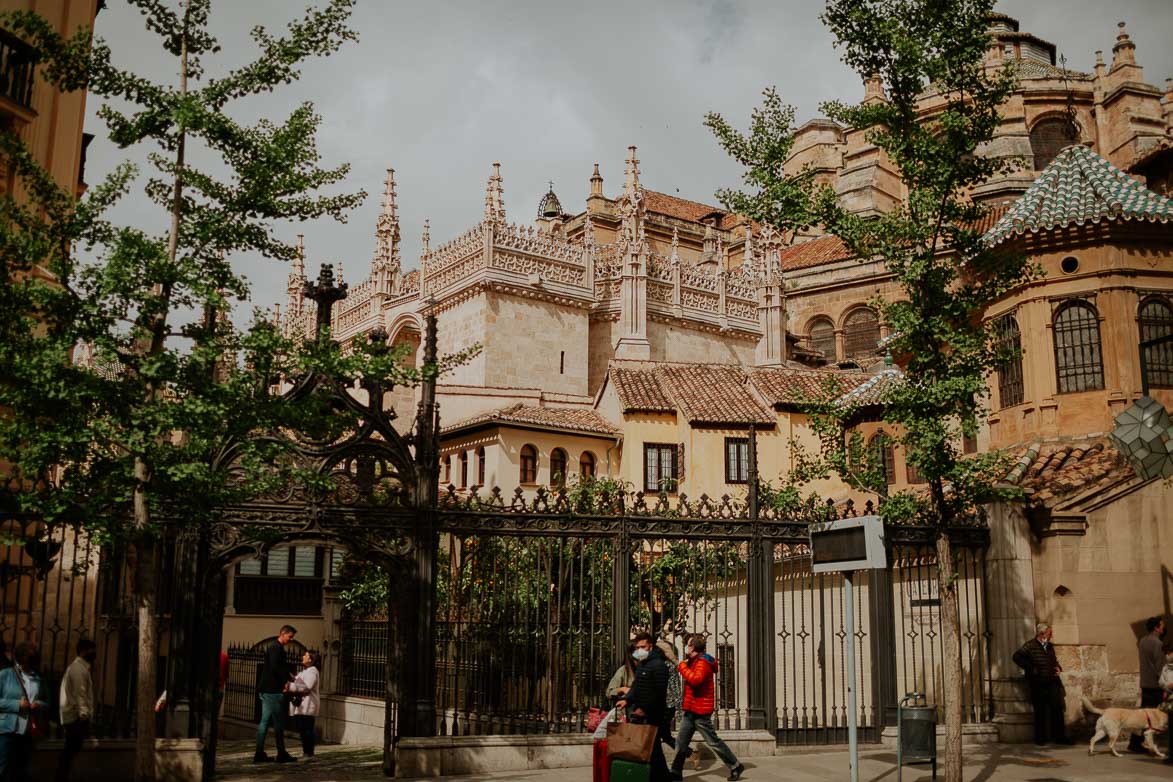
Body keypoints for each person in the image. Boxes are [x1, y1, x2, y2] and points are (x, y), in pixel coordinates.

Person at [669, 635, 744, 782]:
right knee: (681, 741)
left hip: (700, 710)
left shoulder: (702, 662)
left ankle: (735, 765)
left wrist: (682, 667)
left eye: (688, 645)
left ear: (693, 648)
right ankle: (676, 772)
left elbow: (695, 680)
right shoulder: (695, 661)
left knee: (713, 741)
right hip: (691, 708)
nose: (686, 647)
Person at [618, 632, 670, 782]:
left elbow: (659, 693)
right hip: (642, 713)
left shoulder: (659, 665)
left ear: (650, 646)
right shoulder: (643, 664)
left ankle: (661, 778)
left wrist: (645, 709)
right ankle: (662, 777)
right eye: (637, 647)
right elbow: (637, 686)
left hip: (653, 714)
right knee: (653, 750)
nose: (639, 650)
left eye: (642, 647)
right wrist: (627, 700)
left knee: (652, 749)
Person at [1012, 623, 1071, 746]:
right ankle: (1040, 739)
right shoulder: (1030, 645)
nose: (1051, 636)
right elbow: (1016, 657)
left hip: (1052, 682)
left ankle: (1059, 737)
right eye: (1049, 633)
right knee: (1040, 710)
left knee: (1057, 709)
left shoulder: (1049, 646)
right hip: (1038, 683)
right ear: (1041, 634)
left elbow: (1054, 661)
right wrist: (1031, 668)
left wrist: (1058, 668)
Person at [0, 642, 48, 782]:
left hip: (28, 732)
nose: (29, 665)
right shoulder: (5, 675)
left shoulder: (39, 678)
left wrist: (40, 704)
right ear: (20, 659)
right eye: (27, 661)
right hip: (6, 730)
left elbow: (47, 701)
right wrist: (16, 704)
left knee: (23, 771)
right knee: (3, 769)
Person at [255, 624, 297, 764]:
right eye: (290, 637)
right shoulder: (275, 648)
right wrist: (285, 680)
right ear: (283, 633)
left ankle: (260, 753)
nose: (290, 640)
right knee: (278, 722)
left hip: (267, 690)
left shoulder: (275, 648)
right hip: (272, 690)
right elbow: (275, 667)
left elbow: (277, 667)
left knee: (265, 721)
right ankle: (280, 753)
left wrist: (288, 675)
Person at [57, 639, 97, 782]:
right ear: (83, 651)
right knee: (69, 752)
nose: (94, 653)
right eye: (91, 650)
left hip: (74, 717)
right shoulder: (78, 669)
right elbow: (81, 694)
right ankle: (61, 778)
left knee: (70, 752)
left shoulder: (80, 668)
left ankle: (62, 777)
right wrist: (84, 715)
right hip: (76, 718)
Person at [1129, 616, 1167, 752]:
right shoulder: (1157, 643)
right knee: (1164, 714)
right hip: (1156, 685)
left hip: (1145, 683)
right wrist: (1165, 686)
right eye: (1162, 625)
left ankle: (1134, 743)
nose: (1163, 627)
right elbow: (1160, 667)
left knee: (1143, 716)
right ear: (1157, 628)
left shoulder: (1143, 641)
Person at [286, 651, 321, 759]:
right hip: (302, 705)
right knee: (303, 730)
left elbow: (306, 687)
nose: (303, 656)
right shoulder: (306, 671)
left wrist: (289, 686)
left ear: (311, 659)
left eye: (305, 655)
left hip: (308, 705)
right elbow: (301, 683)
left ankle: (309, 753)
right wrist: (294, 679)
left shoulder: (312, 671)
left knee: (307, 730)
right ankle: (306, 752)